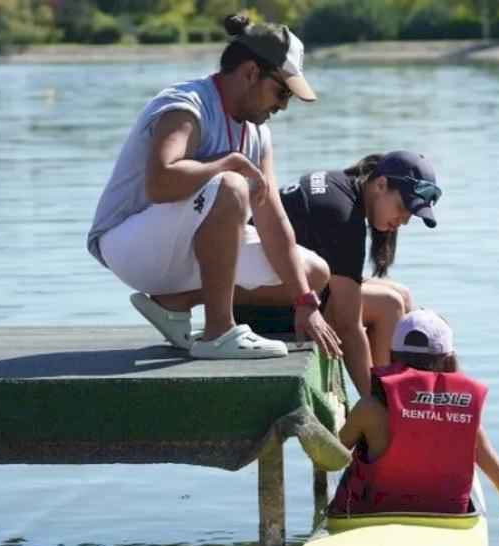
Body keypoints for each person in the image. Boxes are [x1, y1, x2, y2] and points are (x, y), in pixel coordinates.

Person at [87, 14, 342, 360]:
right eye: (281, 91)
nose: (283, 105)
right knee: (231, 185)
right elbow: (160, 183)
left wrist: (305, 302)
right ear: (251, 73)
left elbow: (272, 219)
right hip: (127, 243)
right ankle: (219, 332)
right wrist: (225, 163)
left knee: (312, 274)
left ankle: (174, 303)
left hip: (182, 250)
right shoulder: (186, 105)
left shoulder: (257, 133)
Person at [329, 309, 499, 517]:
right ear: (449, 359)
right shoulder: (466, 416)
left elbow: (331, 458)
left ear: (392, 355)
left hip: (372, 514)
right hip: (448, 519)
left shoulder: (370, 408)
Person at [274, 151, 438, 395]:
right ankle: (386, 404)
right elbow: (347, 325)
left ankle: (401, 394)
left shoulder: (342, 186)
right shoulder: (342, 215)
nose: (404, 221)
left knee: (401, 294)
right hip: (269, 307)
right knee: (388, 305)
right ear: (381, 184)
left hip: (276, 285)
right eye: (403, 207)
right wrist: (371, 404)